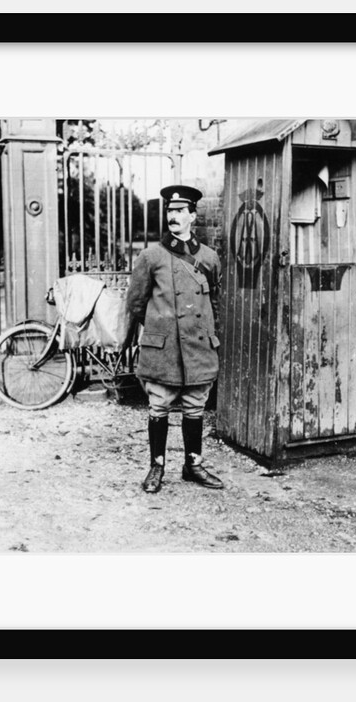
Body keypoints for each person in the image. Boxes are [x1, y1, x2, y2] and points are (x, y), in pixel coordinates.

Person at [126, 185, 223, 494]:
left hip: (197, 346)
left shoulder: (208, 257)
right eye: (169, 211)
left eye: (180, 211)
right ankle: (157, 466)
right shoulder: (151, 256)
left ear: (192, 216)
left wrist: (203, 333)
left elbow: (215, 304)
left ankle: (193, 464)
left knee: (196, 406)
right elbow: (136, 304)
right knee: (159, 407)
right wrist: (160, 329)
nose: (173, 216)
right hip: (164, 348)